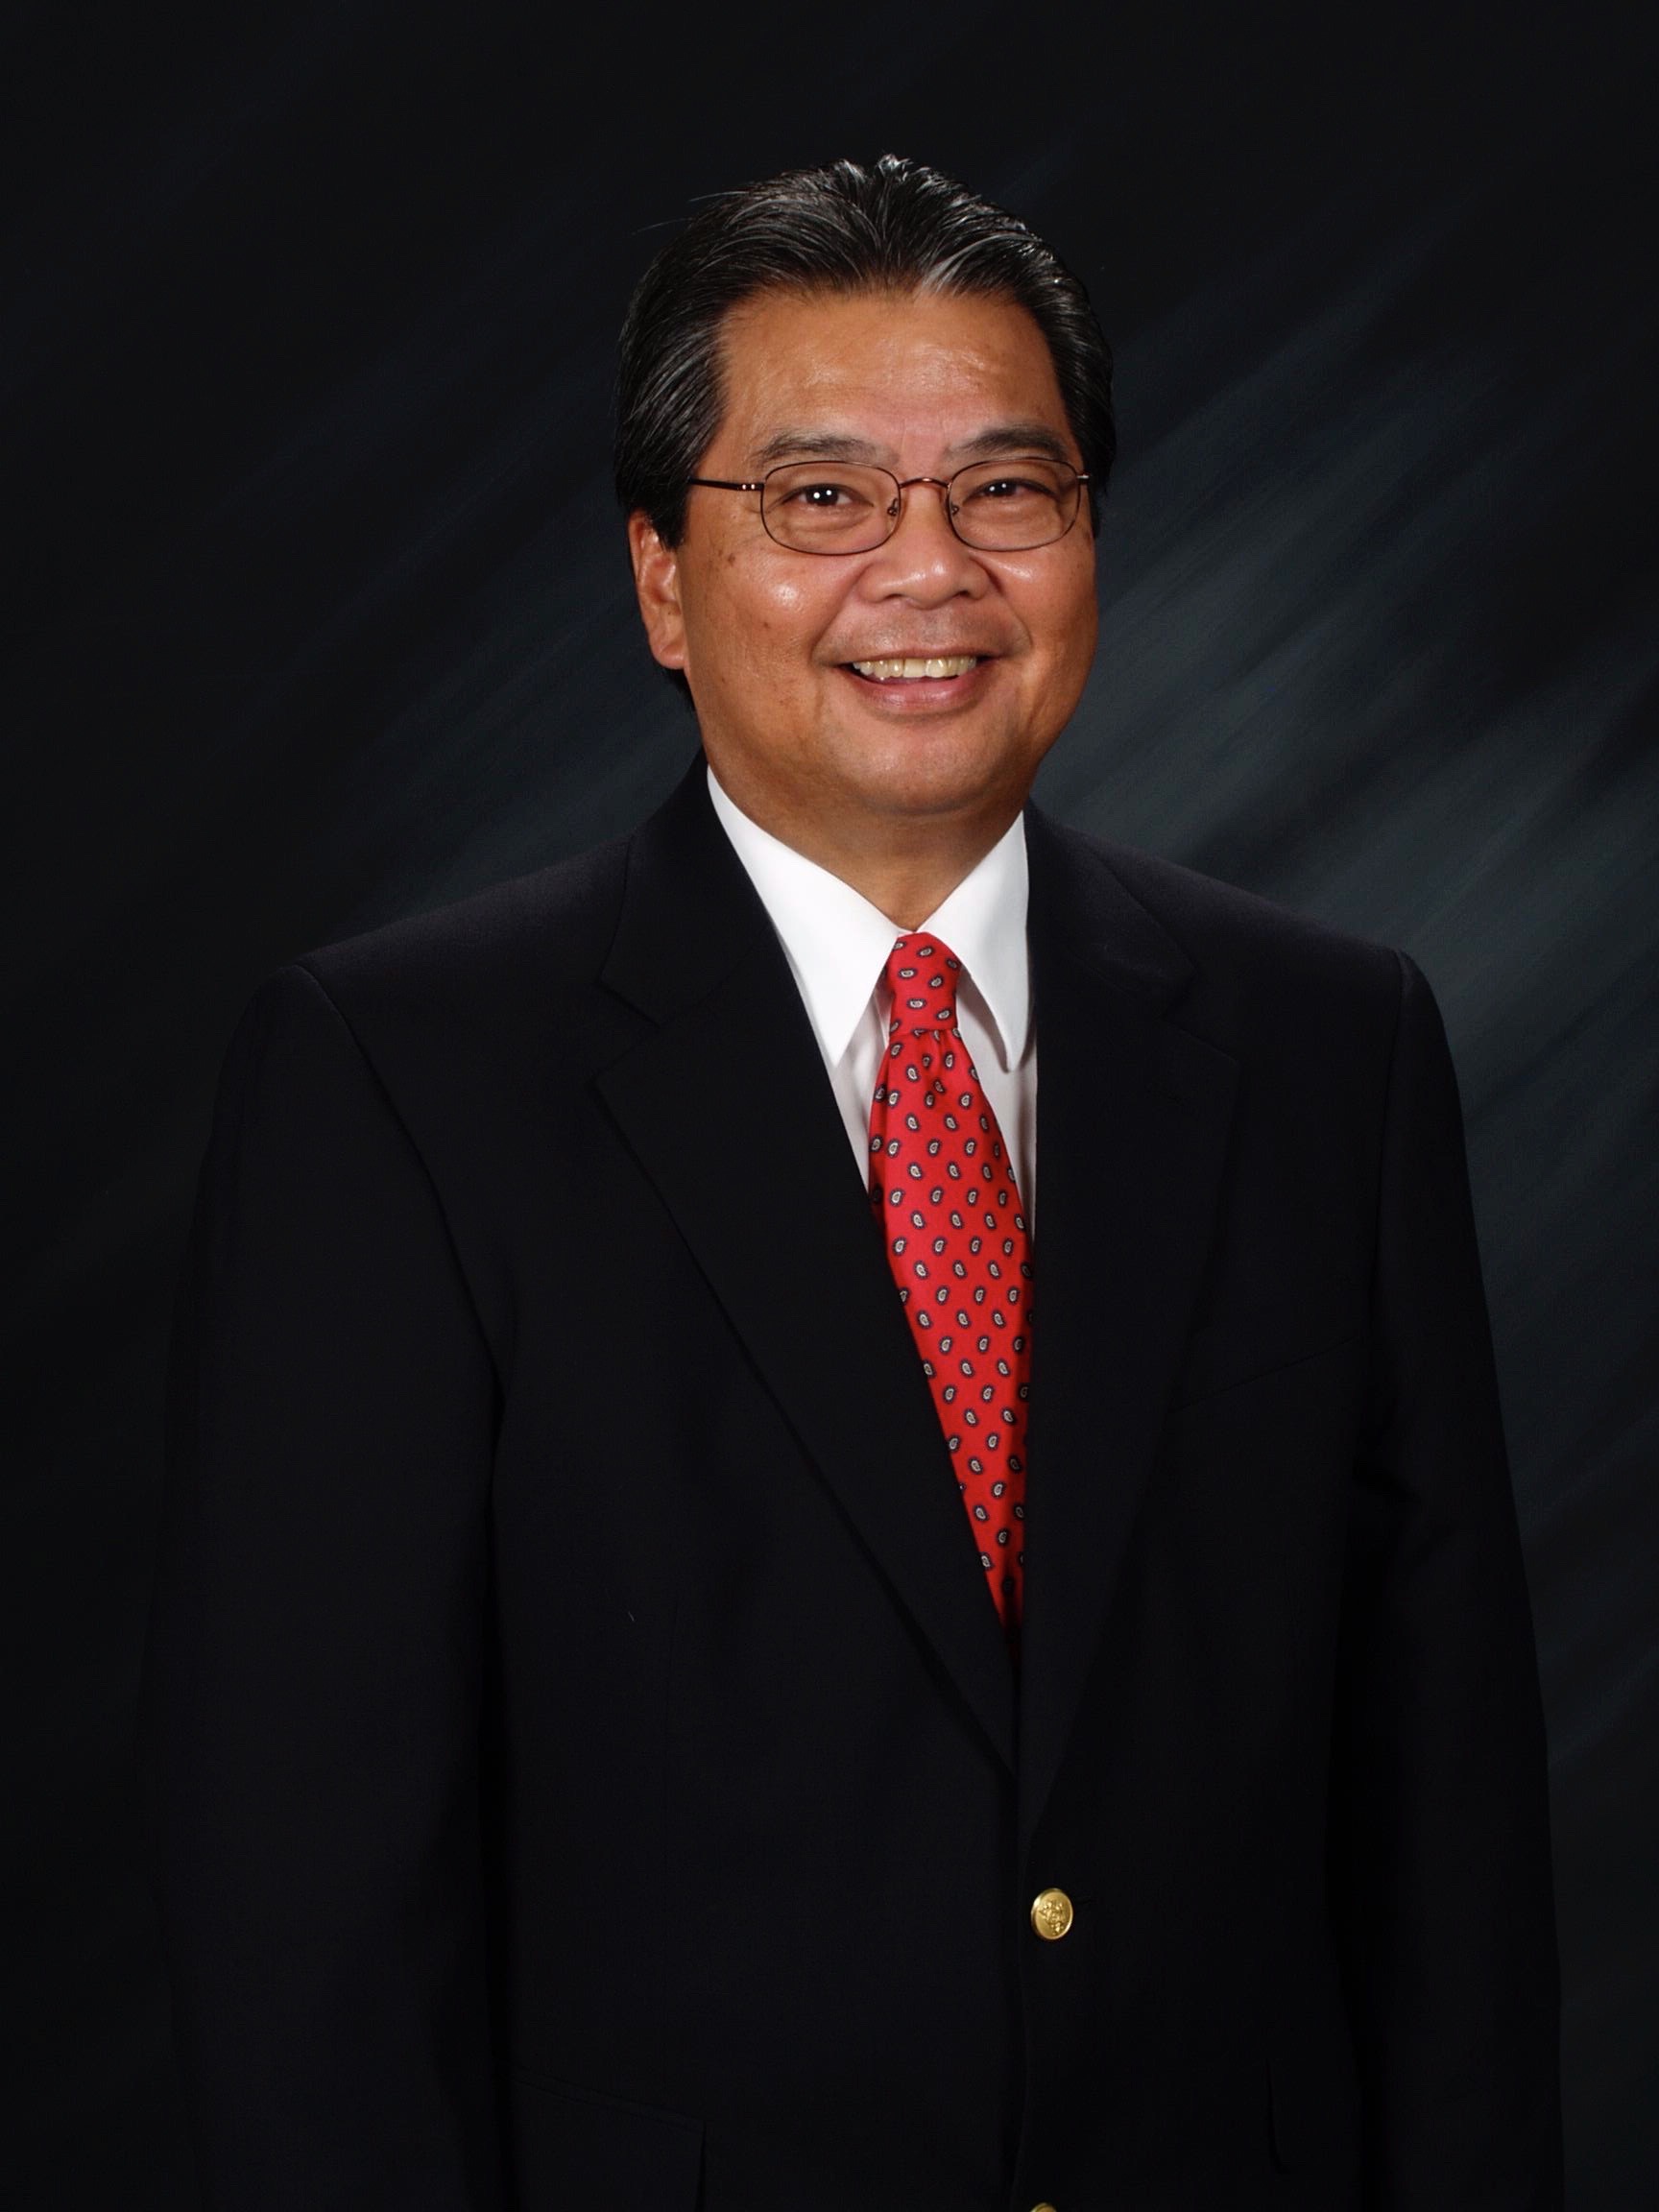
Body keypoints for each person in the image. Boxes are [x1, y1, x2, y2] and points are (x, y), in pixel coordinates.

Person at [141, 155, 1562, 2210]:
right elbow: (310, 1938)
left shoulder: (1332, 1050)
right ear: (660, 578)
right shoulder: (398, 1083)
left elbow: (1449, 1837)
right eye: (822, 497)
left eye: (1009, 490)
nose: (930, 571)